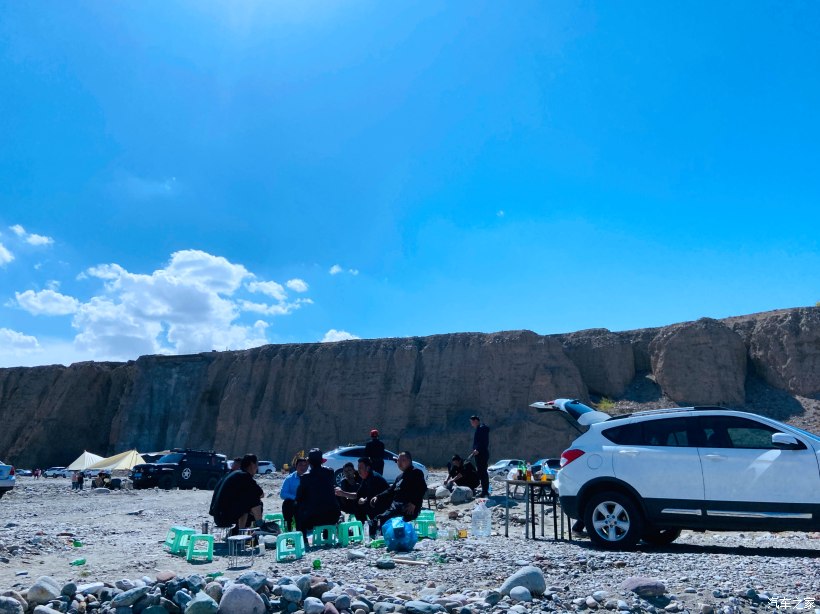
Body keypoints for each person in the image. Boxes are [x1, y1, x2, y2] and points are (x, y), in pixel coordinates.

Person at [369, 451, 427, 532]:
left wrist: (414, 503)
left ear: (409, 461)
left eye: (403, 460)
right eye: (398, 461)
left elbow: (422, 488)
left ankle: (370, 530)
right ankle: (368, 527)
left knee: (382, 518)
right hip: (396, 506)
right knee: (375, 507)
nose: (399, 463)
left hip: (408, 508)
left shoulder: (416, 472)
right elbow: (390, 491)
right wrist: (377, 497)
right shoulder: (399, 477)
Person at [209, 454, 264, 533]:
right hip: (225, 518)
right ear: (252, 464)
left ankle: (238, 532)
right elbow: (261, 494)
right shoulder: (244, 476)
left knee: (248, 501)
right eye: (257, 465)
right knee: (254, 499)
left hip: (218, 517)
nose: (257, 468)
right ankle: (260, 525)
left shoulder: (232, 475)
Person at [335, 457, 389, 536]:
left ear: (367, 468)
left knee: (361, 505)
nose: (359, 470)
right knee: (357, 504)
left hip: (384, 506)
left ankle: (371, 528)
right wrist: (342, 493)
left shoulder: (374, 478)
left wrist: (363, 500)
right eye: (358, 468)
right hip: (374, 504)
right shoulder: (365, 478)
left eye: (360, 468)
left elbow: (372, 497)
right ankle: (365, 527)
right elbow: (358, 495)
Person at [296, 449, 341, 539]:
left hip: (312, 519)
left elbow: (299, 497)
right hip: (332, 517)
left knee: (298, 506)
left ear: (308, 462)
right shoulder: (330, 472)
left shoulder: (305, 477)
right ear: (322, 461)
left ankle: (303, 539)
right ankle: (326, 536)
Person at [280, 456, 307, 531]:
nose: (303, 467)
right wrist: (295, 498)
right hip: (295, 503)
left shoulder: (311, 477)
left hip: (308, 503)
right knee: (287, 503)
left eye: (305, 465)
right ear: (296, 466)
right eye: (300, 465)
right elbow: (283, 494)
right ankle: (289, 529)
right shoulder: (289, 478)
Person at [469, 415, 490, 497]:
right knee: (481, 472)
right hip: (479, 453)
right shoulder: (479, 429)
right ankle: (484, 490)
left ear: (476, 421)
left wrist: (478, 449)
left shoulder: (482, 428)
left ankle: (485, 491)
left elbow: (483, 442)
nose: (472, 424)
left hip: (482, 453)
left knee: (483, 472)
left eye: (472, 422)